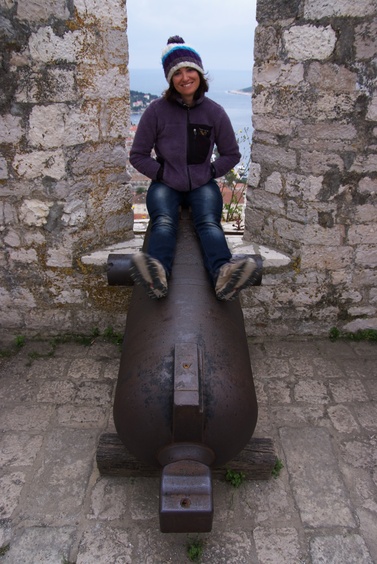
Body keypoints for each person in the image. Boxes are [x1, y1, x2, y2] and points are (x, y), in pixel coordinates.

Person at [129, 35, 261, 301]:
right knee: (164, 222)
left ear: (200, 73)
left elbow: (231, 154)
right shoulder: (156, 111)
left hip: (202, 181)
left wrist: (210, 172)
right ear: (170, 79)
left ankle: (223, 274)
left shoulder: (214, 112)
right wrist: (162, 174)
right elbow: (139, 155)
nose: (184, 77)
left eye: (189, 69)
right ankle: (157, 273)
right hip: (166, 181)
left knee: (209, 223)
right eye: (177, 72)